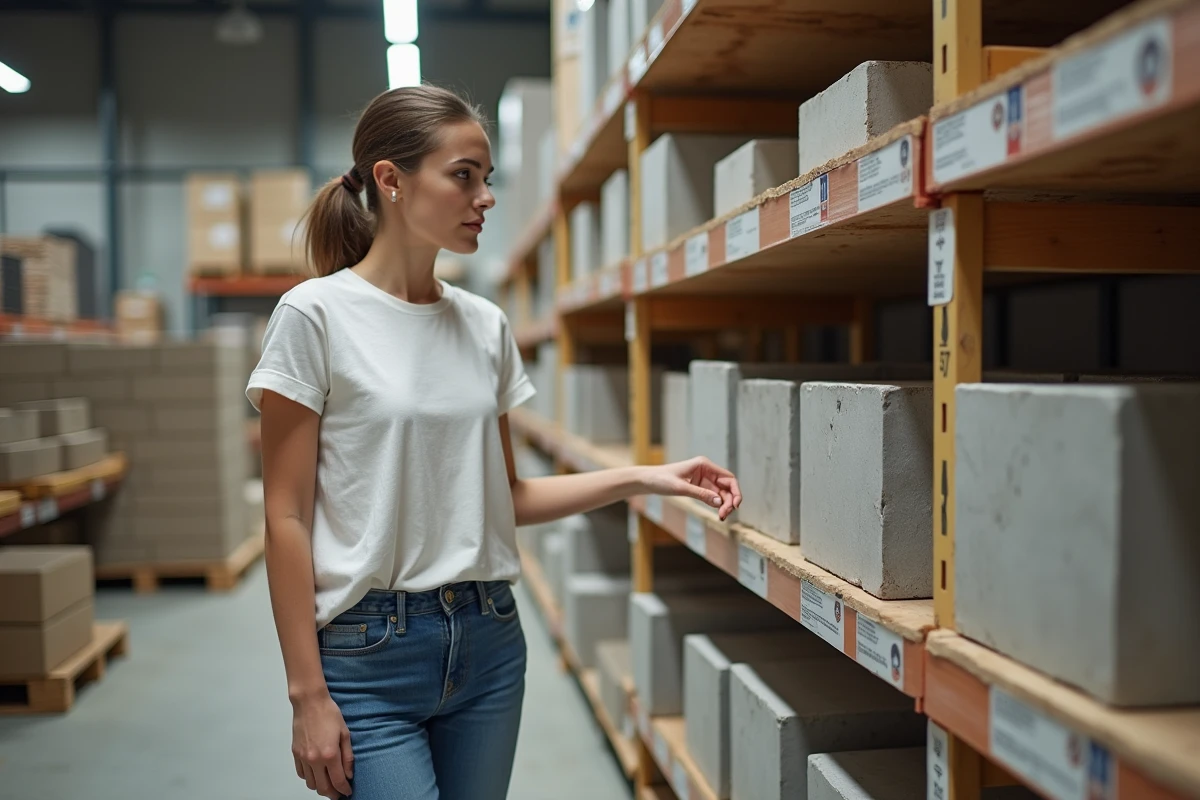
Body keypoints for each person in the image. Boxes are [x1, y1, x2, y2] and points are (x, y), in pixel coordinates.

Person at [247, 85, 743, 800]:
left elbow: (506, 496)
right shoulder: (314, 315)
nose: (486, 197)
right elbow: (285, 517)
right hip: (369, 653)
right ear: (391, 181)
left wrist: (648, 478)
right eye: (464, 176)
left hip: (488, 643)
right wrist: (306, 695)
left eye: (488, 178)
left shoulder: (485, 325)